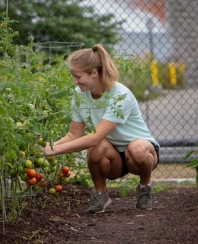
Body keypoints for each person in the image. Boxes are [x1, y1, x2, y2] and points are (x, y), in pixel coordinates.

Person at [42, 44, 160, 213]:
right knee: (95, 148)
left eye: (78, 76)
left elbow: (95, 136)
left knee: (137, 149)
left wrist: (54, 151)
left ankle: (145, 187)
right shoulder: (79, 94)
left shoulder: (120, 95)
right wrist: (49, 147)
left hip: (141, 153)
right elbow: (74, 134)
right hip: (113, 156)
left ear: (94, 73)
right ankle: (100, 195)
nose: (75, 81)